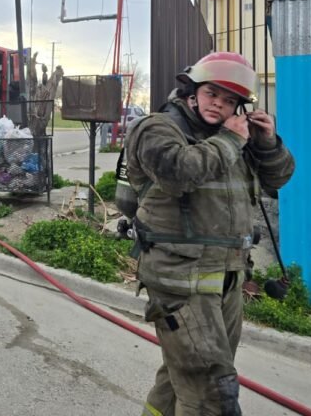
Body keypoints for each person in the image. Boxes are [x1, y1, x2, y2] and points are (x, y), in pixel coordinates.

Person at [125, 52, 295, 416]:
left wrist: (266, 142)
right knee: (212, 393)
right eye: (212, 94)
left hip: (228, 276)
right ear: (192, 91)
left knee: (181, 380)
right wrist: (231, 140)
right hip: (180, 278)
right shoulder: (158, 127)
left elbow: (279, 178)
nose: (219, 104)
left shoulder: (233, 136)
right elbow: (176, 173)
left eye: (230, 99)